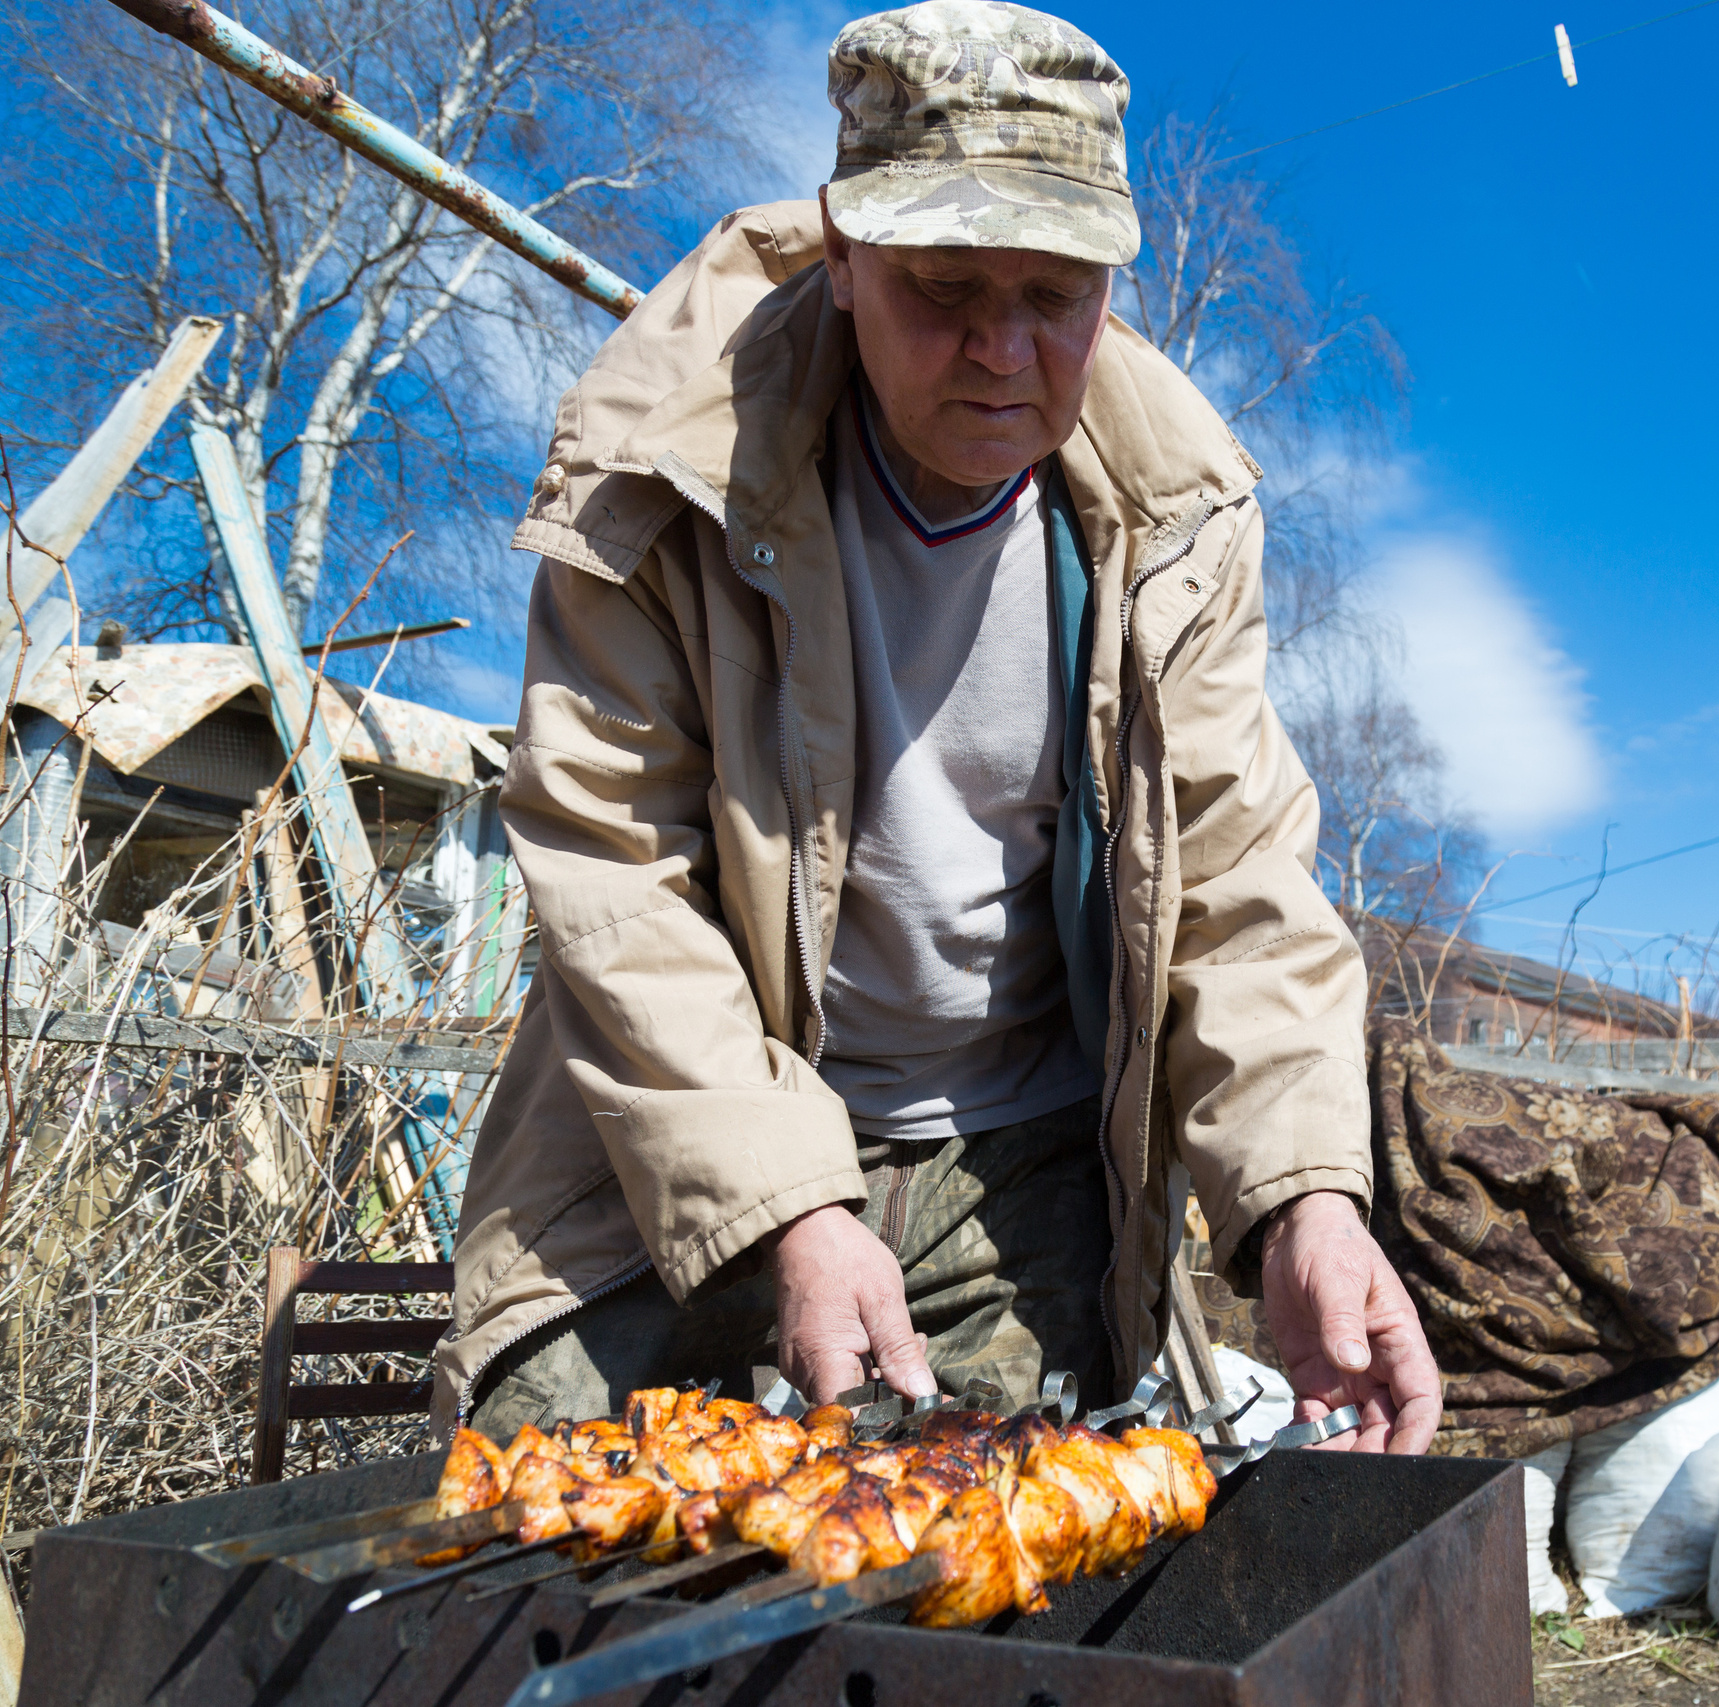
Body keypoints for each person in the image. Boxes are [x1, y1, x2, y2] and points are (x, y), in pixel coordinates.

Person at [428, 1, 1440, 1455]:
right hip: (666, 1142)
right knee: (565, 1512)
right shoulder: (654, 469)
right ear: (843, 259)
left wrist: (1304, 1201)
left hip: (1013, 1170)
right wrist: (791, 1202)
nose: (1002, 349)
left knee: (995, 1561)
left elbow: (1240, 889)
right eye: (946, 286)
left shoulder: (1182, 522)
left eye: (1055, 294)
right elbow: (612, 869)